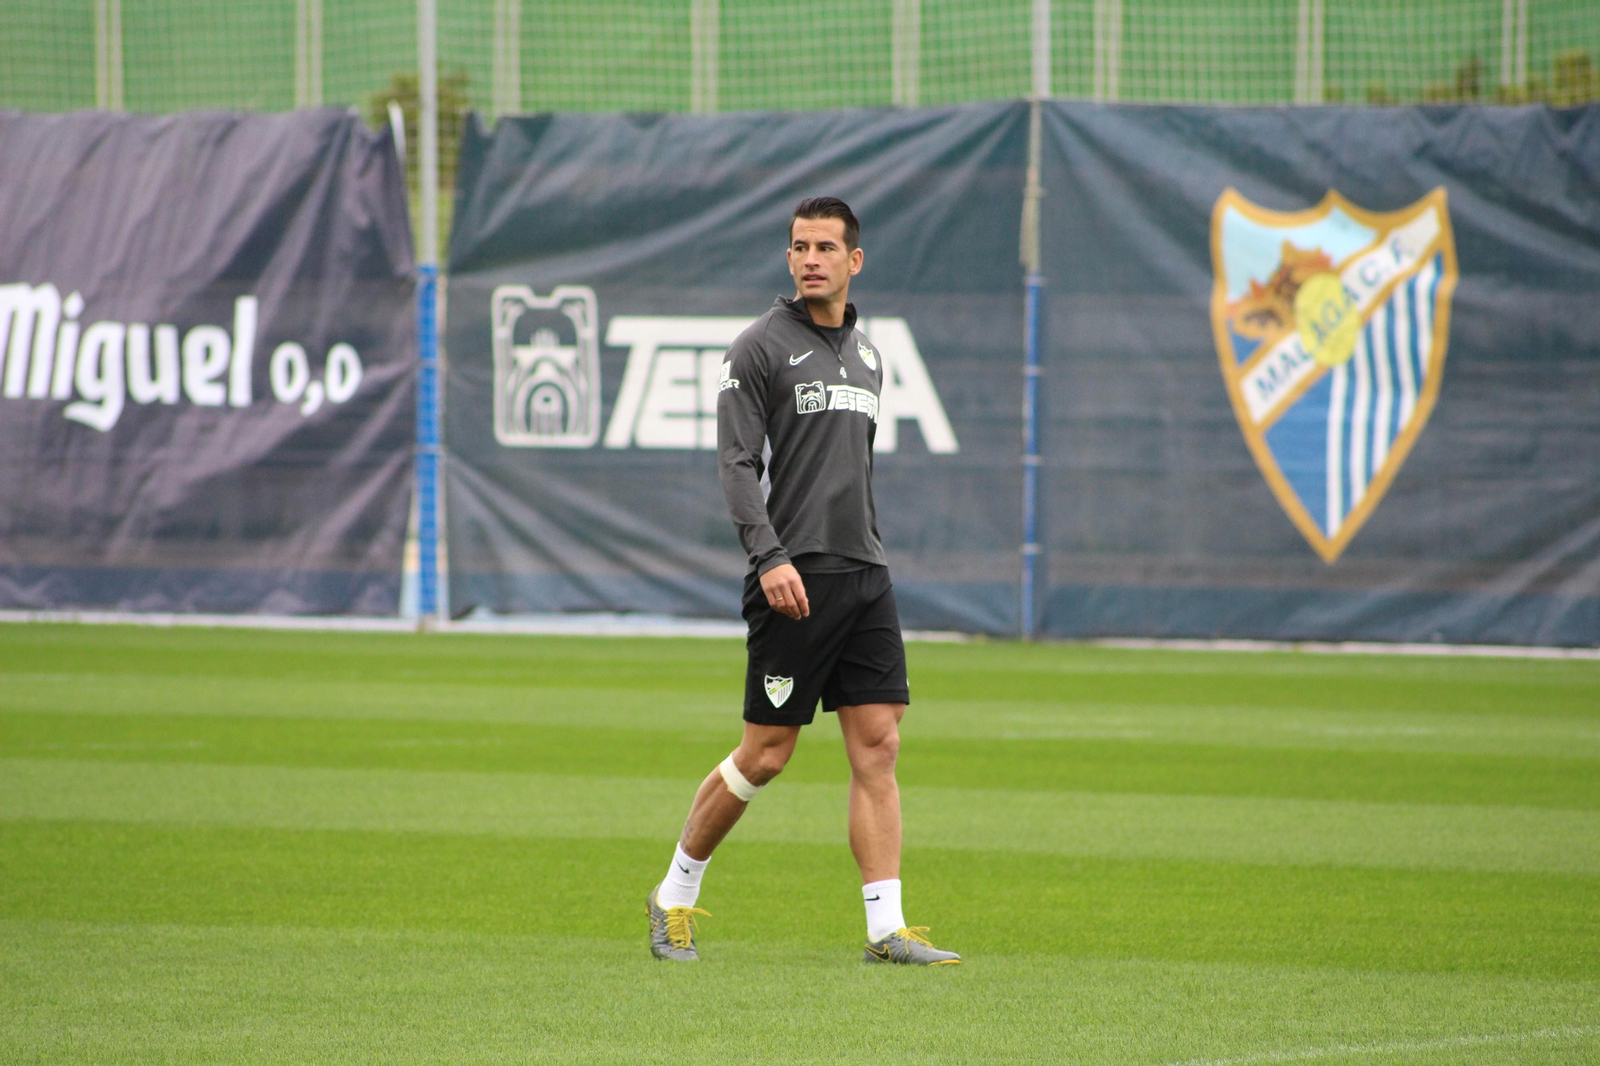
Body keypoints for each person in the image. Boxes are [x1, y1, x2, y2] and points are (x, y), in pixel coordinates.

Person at [645, 196, 960, 966]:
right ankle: (672, 896)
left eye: (825, 246)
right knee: (767, 754)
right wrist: (770, 555)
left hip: (865, 573)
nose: (810, 257)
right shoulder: (757, 347)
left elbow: (852, 470)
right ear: (788, 258)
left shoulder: (871, 355)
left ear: (855, 261)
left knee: (878, 745)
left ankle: (886, 929)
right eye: (799, 246)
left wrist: (867, 558)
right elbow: (737, 466)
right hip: (792, 572)